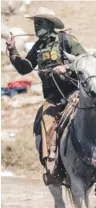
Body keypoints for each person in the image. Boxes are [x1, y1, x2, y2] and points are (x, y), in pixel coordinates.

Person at [6, 7, 87, 185]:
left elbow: (85, 60)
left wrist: (67, 68)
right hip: (53, 99)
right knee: (44, 120)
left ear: (50, 25)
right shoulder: (38, 46)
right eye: (35, 23)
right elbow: (25, 68)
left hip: (75, 95)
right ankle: (50, 164)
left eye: (40, 22)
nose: (36, 26)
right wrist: (13, 52)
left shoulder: (66, 40)